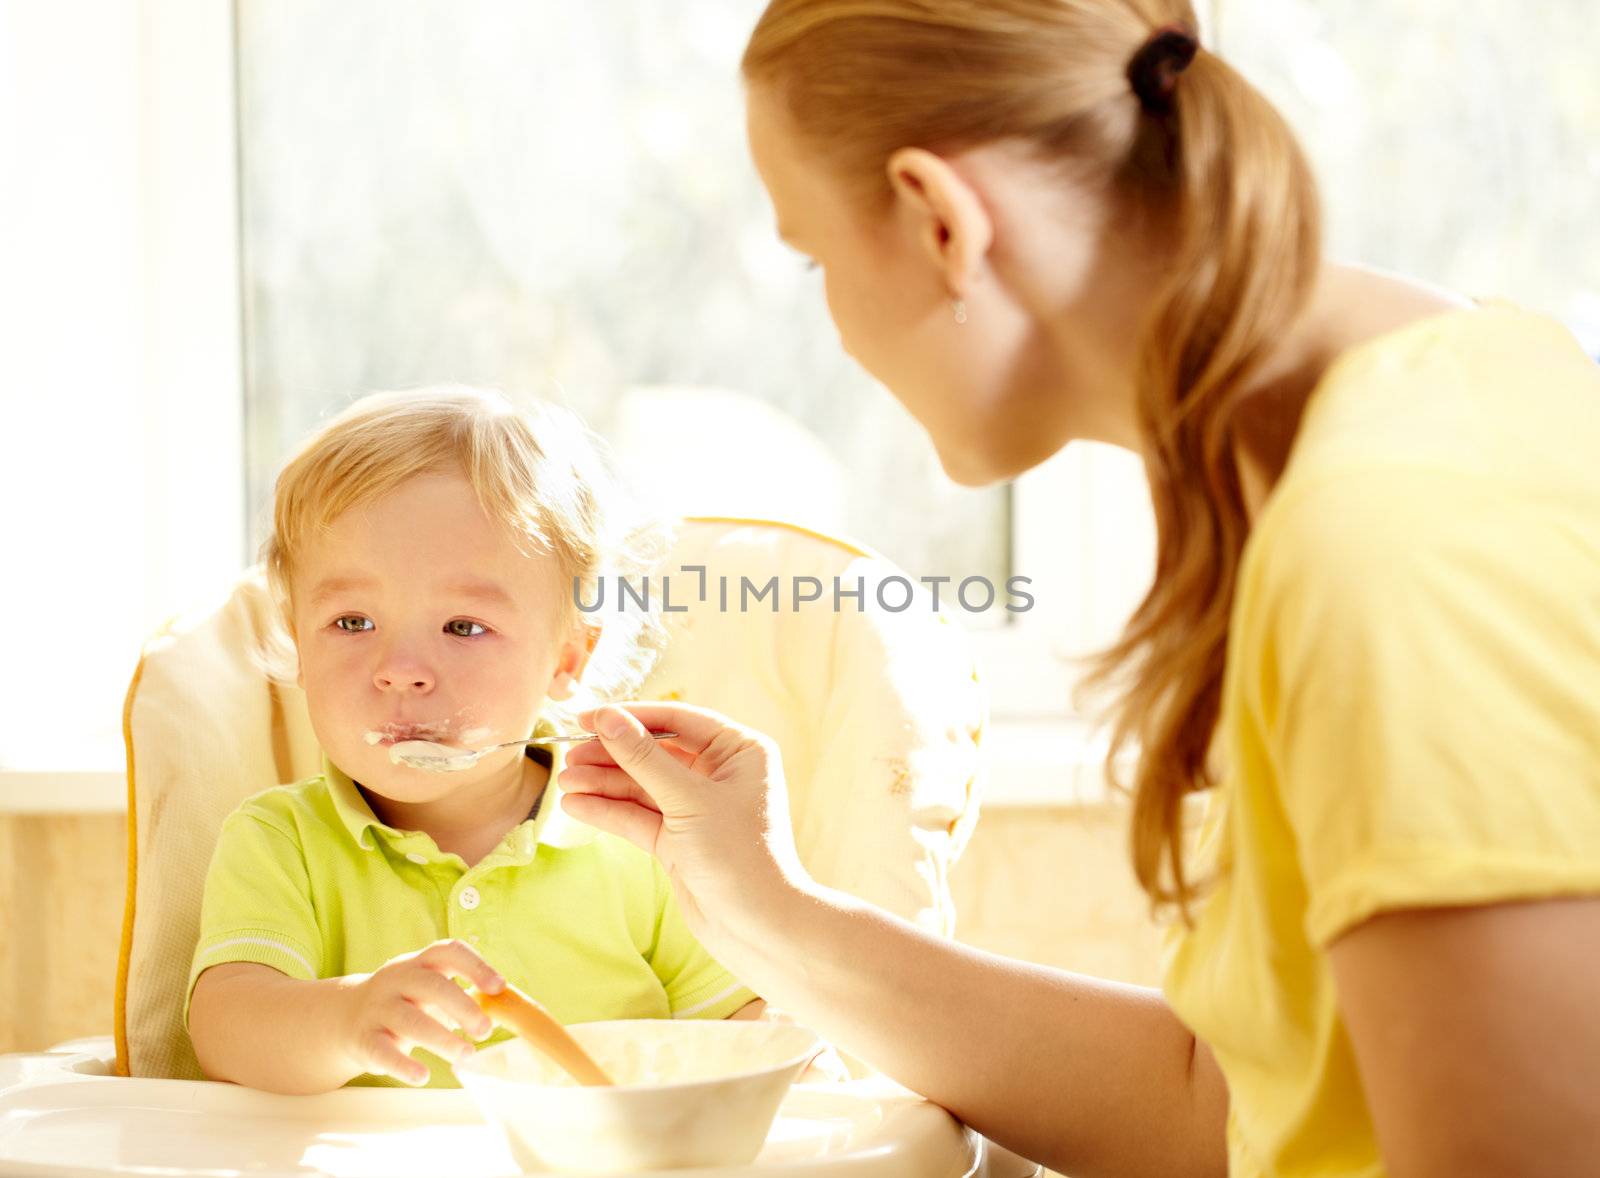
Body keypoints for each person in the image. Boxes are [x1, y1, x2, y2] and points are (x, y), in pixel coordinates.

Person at [555, 3, 1600, 1175]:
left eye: (816, 258)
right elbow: (1225, 1105)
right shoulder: (1398, 418)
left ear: (939, 221)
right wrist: (765, 911)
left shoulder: (1401, 542)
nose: (835, 323)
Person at [185, 388, 771, 1093]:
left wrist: (793, 1051)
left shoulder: (639, 837)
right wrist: (345, 1020)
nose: (401, 672)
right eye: (351, 623)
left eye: (463, 627)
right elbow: (226, 1030)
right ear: (298, 646)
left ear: (566, 661)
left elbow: (740, 1030)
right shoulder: (282, 841)